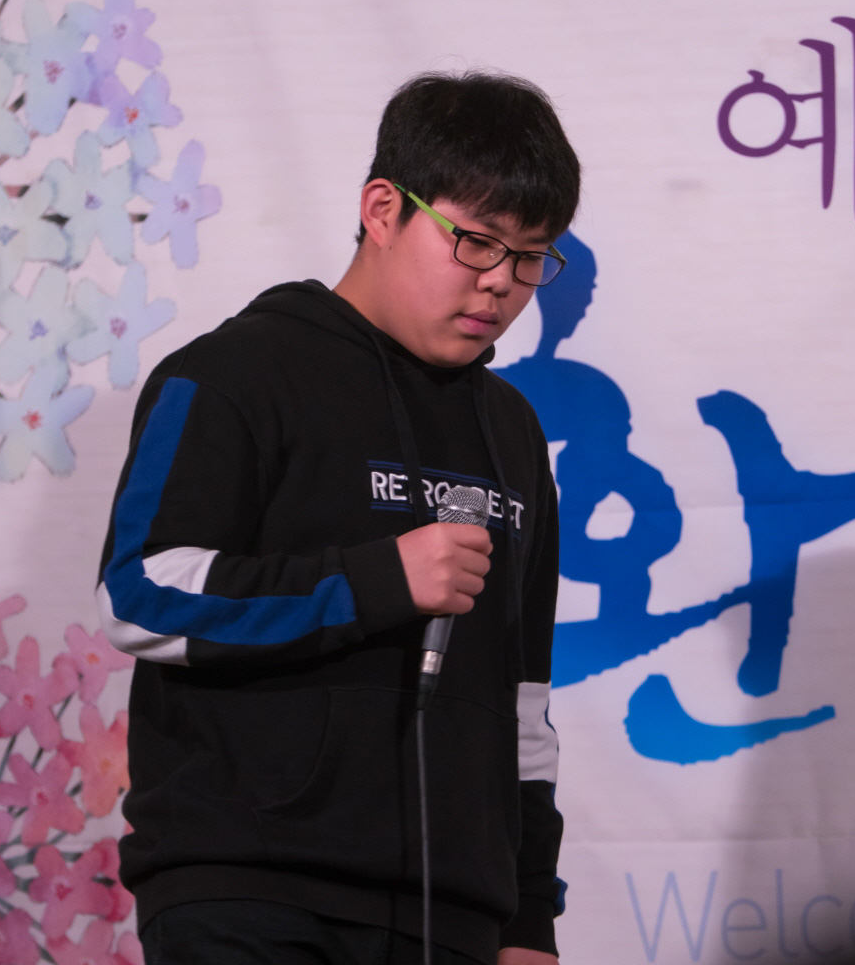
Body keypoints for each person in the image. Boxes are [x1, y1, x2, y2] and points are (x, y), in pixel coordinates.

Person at [97, 70, 580, 965]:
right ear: (383, 209)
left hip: (453, 917)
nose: (499, 284)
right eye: (475, 242)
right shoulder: (233, 374)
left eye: (529, 257)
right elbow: (141, 593)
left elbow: (526, 703)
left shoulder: (512, 432)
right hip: (251, 894)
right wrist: (375, 581)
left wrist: (527, 921)